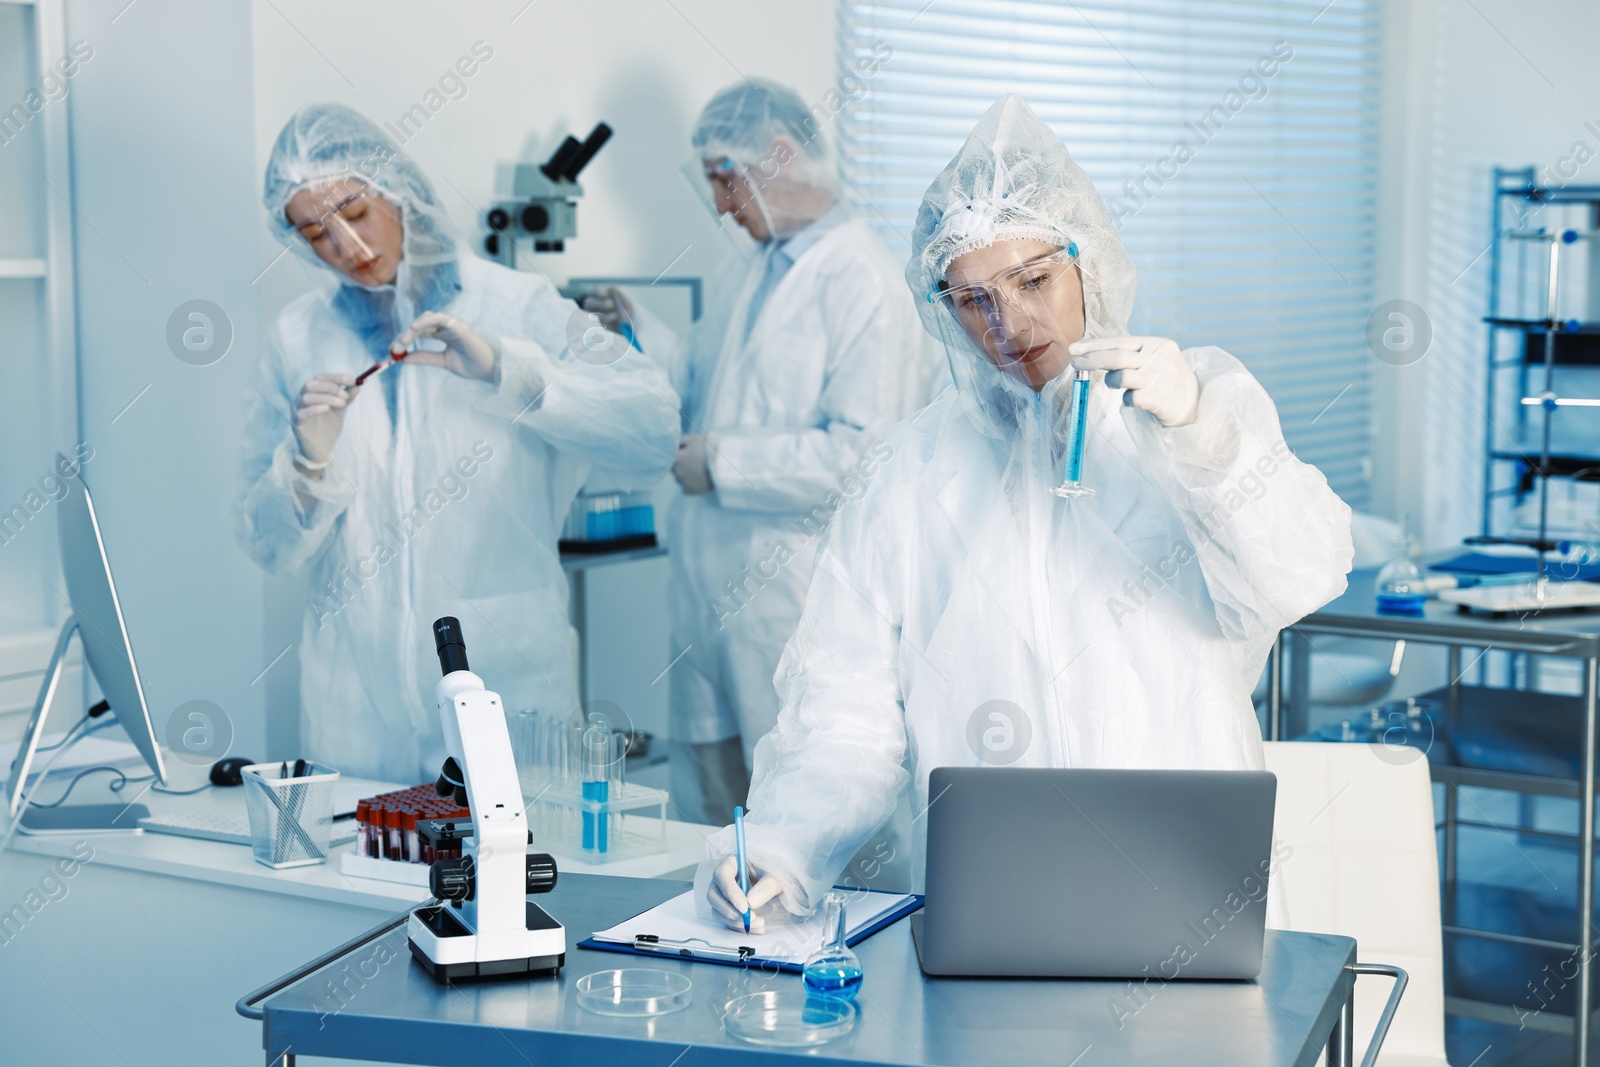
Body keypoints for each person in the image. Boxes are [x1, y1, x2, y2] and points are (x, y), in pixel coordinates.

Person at [697, 95, 1353, 931]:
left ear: (1091, 261)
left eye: (1034, 280)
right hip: (1001, 905)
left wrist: (1202, 433)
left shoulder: (1191, 413)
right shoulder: (910, 474)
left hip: (1195, 895)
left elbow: (1301, 575)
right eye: (972, 300)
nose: (1009, 324)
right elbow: (842, 713)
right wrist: (785, 845)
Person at [237, 104, 679, 783]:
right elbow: (265, 541)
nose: (346, 249)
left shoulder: (516, 305)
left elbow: (650, 428)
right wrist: (306, 464)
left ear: (396, 188)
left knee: (519, 882)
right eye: (315, 232)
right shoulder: (297, 339)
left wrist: (514, 370)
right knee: (360, 883)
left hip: (504, 691)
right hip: (354, 712)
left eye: (354, 214)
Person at [588, 80, 941, 824]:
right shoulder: (745, 267)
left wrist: (719, 462)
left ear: (779, 155)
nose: (718, 202)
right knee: (711, 820)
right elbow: (708, 386)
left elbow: (862, 456)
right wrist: (637, 329)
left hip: (792, 605)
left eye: (724, 176)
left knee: (805, 819)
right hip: (706, 602)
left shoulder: (862, 281)